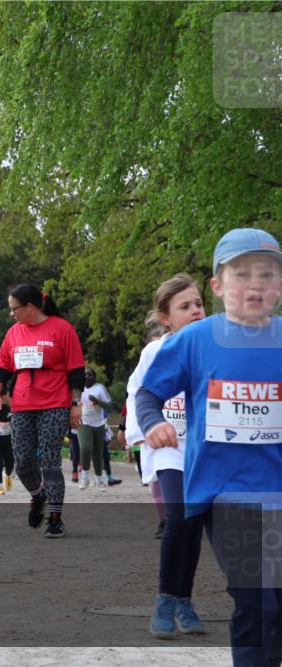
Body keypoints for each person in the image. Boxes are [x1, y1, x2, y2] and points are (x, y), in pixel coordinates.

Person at [138, 228, 282, 665]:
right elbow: (147, 394)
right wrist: (154, 421)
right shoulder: (195, 340)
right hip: (225, 496)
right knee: (259, 601)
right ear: (219, 287)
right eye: (242, 274)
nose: (255, 284)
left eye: (266, 274)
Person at [126, 273, 207, 638]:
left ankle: (184, 600)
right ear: (165, 317)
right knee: (177, 518)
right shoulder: (155, 352)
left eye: (199, 304)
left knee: (194, 525)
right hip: (168, 447)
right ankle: (164, 598)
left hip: (203, 449)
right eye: (185, 306)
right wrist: (141, 436)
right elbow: (137, 392)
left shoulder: (216, 348)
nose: (195, 311)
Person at [0, 284, 86, 539]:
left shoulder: (62, 329)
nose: (11, 314)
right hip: (21, 405)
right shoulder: (13, 334)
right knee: (22, 462)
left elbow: (76, 370)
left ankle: (55, 517)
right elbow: (2, 369)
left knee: (50, 461)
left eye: (14, 309)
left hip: (54, 403)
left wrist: (75, 404)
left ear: (30, 308)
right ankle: (37, 495)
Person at [78, 368, 115, 491]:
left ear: (94, 377)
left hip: (99, 424)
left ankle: (99, 481)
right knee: (85, 448)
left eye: (89, 375)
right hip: (83, 422)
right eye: (85, 375)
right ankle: (84, 477)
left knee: (98, 454)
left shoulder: (99, 389)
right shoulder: (77, 389)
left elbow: (109, 406)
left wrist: (97, 401)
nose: (87, 376)